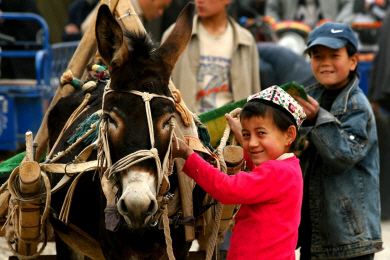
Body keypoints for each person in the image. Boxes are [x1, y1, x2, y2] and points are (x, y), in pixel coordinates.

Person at [172, 86, 306, 259]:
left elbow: (228, 189)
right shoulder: (290, 168)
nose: (251, 143)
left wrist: (189, 156)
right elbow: (259, 173)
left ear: (289, 135)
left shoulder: (276, 171)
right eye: (247, 134)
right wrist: (239, 133)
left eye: (261, 133)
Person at [293, 22, 383, 259]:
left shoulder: (358, 107)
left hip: (349, 239)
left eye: (335, 55)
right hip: (315, 233)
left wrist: (316, 119)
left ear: (353, 61)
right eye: (317, 55)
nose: (325, 62)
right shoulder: (308, 98)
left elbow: (343, 156)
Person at [161, 0, 260, 114]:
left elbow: (254, 94)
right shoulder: (175, 35)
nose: (200, 1)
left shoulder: (245, 40)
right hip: (189, 124)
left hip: (231, 125)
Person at [265, 0, 356, 29]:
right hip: (292, 34)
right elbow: (271, 10)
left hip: (328, 35)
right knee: (289, 42)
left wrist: (338, 26)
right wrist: (278, 30)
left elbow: (350, 4)